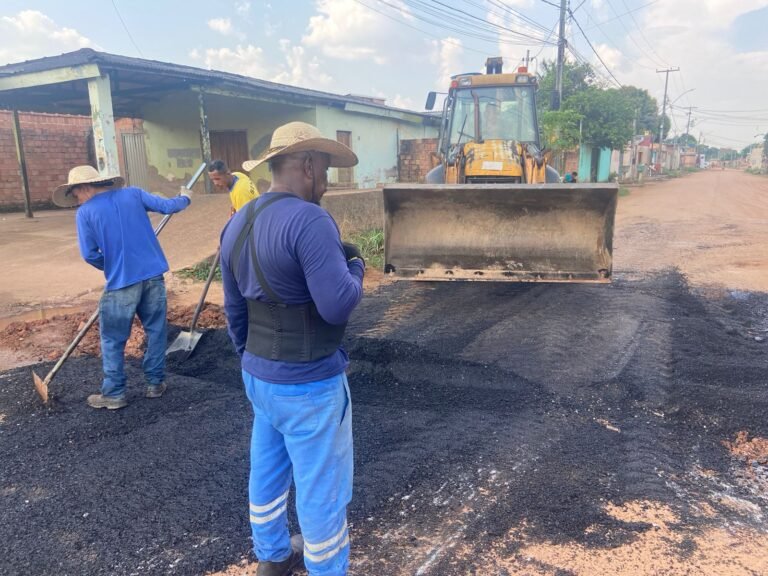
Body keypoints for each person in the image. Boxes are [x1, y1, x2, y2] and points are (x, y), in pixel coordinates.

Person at [220, 122, 364, 576]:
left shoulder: (238, 221)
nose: (327, 181)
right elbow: (337, 305)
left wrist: (251, 360)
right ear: (307, 165)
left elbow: (234, 309)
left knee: (267, 469)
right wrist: (356, 266)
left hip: (259, 376)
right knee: (322, 489)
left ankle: (273, 557)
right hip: (310, 385)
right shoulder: (310, 220)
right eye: (325, 170)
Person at [53, 165, 192, 410]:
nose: (76, 200)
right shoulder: (134, 194)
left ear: (84, 187)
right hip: (153, 276)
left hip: (121, 283)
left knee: (113, 339)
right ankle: (155, 384)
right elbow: (169, 206)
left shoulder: (85, 213)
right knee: (156, 331)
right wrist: (185, 197)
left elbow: (89, 254)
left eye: (75, 194)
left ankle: (115, 393)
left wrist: (111, 265)